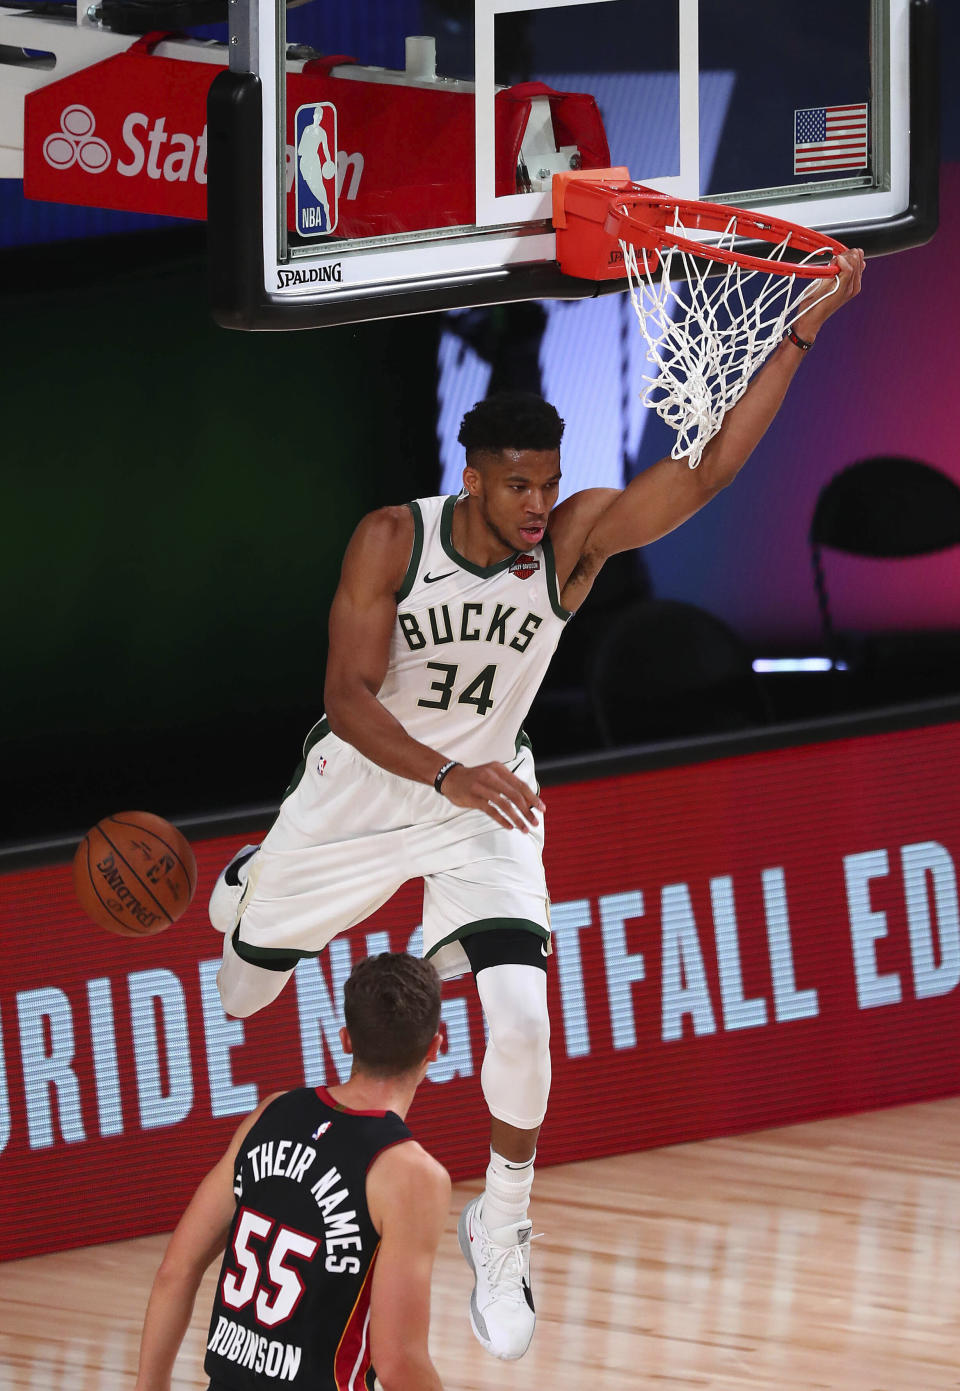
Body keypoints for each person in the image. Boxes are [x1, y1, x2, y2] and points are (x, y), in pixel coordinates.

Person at [208, 251, 865, 1361]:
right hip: (364, 792)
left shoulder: (566, 547)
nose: (536, 505)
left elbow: (703, 475)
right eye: (517, 484)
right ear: (471, 477)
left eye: (548, 483)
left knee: (523, 1020)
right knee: (242, 994)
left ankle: (503, 1216)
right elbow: (344, 697)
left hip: (485, 805)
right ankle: (249, 896)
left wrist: (799, 330)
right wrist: (443, 771)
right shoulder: (393, 540)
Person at [134, 952, 450, 1391]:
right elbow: (398, 1365)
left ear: (345, 1039)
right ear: (436, 1046)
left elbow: (176, 1270)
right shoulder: (410, 1175)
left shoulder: (272, 1112)